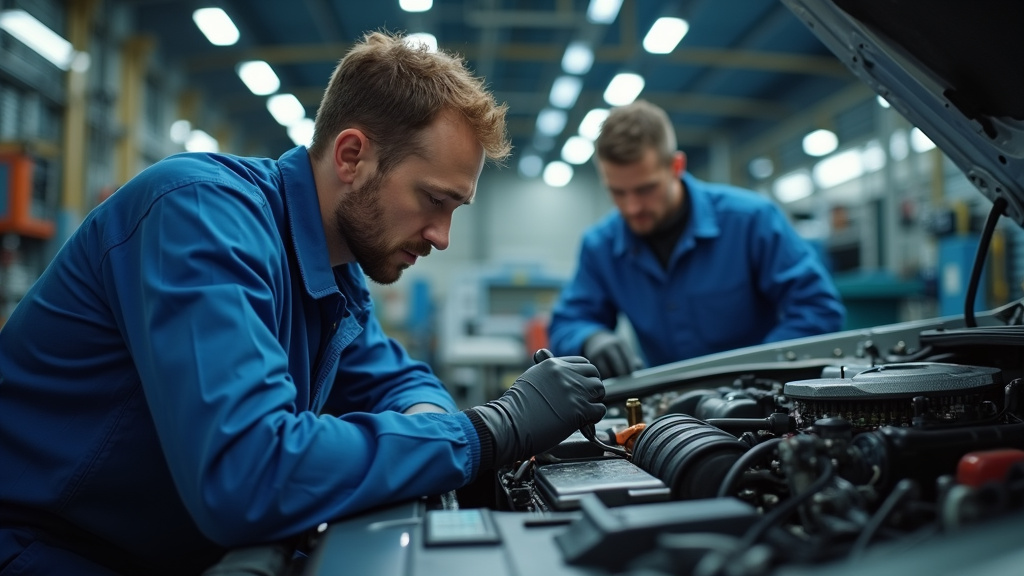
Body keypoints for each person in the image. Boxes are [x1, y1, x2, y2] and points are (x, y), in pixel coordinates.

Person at [0, 31, 606, 575]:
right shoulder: (199, 216)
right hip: (46, 551)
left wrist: (430, 429)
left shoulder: (334, 276)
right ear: (352, 156)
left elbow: (398, 381)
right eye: (433, 200)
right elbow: (250, 473)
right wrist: (486, 431)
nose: (441, 236)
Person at [548, 99, 845, 378]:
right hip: (667, 413)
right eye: (617, 192)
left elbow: (817, 309)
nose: (632, 207)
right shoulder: (600, 246)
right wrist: (590, 339)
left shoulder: (751, 220)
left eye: (645, 189)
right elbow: (568, 322)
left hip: (757, 406)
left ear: (676, 167)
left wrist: (757, 371)